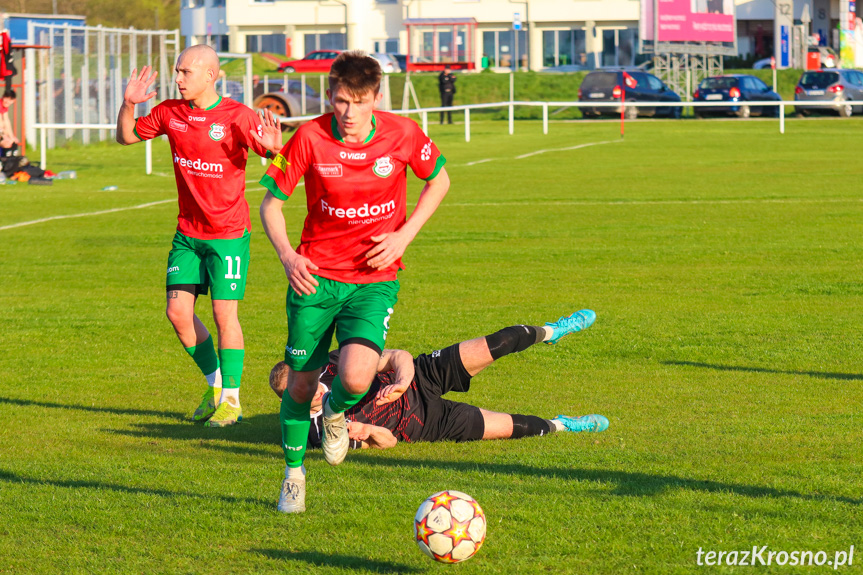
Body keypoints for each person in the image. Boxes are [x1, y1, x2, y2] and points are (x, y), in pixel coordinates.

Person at [258, 50, 450, 513]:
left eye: (359, 102)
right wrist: (287, 257)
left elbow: (439, 180)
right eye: (342, 101)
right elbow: (270, 205)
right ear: (330, 95)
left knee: (356, 375)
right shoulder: (309, 137)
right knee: (300, 386)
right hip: (315, 281)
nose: (349, 113)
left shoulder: (402, 133)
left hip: (373, 279)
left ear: (376, 98)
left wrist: (404, 236)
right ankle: (293, 475)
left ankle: (338, 411)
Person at [116, 45, 283, 427]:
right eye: (176, 71)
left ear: (211, 75)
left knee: (225, 316)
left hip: (227, 235)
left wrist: (275, 151)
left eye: (185, 72)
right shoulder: (169, 113)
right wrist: (128, 104)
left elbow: (283, 159)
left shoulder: (237, 116)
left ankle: (232, 401)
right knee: (177, 313)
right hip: (188, 234)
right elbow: (125, 137)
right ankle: (215, 387)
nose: (177, 79)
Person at [268, 310, 606, 458]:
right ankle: (565, 425)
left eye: (304, 382)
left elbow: (396, 355)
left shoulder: (331, 363)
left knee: (502, 340)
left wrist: (402, 381)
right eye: (296, 395)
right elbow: (387, 444)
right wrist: (367, 432)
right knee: (511, 426)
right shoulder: (314, 431)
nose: (308, 391)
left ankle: (554, 331)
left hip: (422, 374)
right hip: (425, 423)